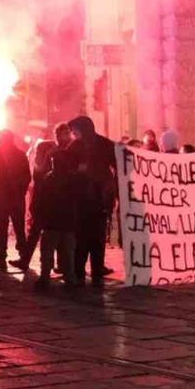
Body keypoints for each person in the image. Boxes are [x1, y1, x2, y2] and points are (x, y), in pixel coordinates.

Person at [67, 116, 117, 284]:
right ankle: (86, 270)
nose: (73, 135)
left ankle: (90, 270)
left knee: (92, 237)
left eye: (75, 131)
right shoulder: (78, 146)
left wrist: (111, 186)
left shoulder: (100, 144)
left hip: (96, 198)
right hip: (87, 199)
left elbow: (117, 164)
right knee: (87, 236)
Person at [35, 149, 79, 289]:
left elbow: (41, 200)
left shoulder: (49, 178)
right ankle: (70, 278)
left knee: (48, 252)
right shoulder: (72, 179)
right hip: (67, 222)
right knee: (68, 253)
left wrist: (40, 216)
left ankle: (45, 277)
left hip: (52, 222)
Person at [0, 131, 31, 270]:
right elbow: (27, 177)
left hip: (3, 196)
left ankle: (1, 256)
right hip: (14, 197)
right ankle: (23, 258)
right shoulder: (20, 154)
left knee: (2, 229)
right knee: (19, 228)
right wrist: (20, 191)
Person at [16, 140, 56, 274]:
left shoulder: (51, 163)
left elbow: (41, 181)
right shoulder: (42, 163)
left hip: (47, 203)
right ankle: (28, 261)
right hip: (42, 202)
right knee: (39, 233)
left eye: (39, 150)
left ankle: (32, 262)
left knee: (44, 234)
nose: (37, 152)